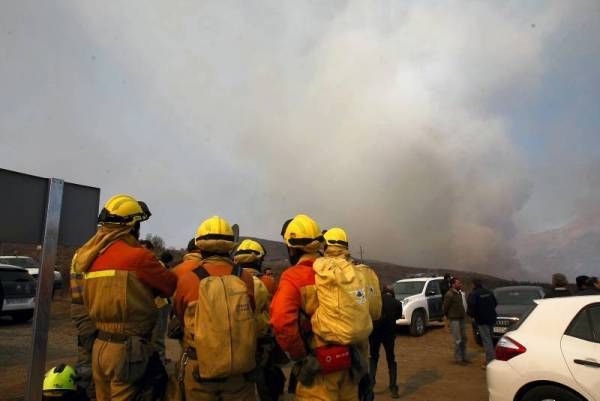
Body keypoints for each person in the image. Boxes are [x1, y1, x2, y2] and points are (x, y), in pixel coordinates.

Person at [73, 194, 177, 401]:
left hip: (100, 347)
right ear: (132, 226)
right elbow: (169, 285)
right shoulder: (138, 256)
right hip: (128, 351)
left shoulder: (90, 258)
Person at [271, 215, 362, 401]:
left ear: (291, 248)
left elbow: (281, 322)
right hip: (348, 363)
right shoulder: (340, 271)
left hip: (318, 368)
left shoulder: (293, 277)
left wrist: (301, 356)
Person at [174, 216, 257, 401]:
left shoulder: (188, 279)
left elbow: (180, 316)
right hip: (238, 369)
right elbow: (251, 312)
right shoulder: (245, 277)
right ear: (231, 246)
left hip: (200, 369)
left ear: (200, 246)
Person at [321, 227, 382, 400]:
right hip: (359, 355)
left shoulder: (320, 273)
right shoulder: (364, 273)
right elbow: (376, 312)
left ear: (324, 247)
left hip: (330, 358)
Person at [234, 239, 285, 401]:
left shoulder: (231, 281)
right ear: (259, 260)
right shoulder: (268, 282)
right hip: (263, 341)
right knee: (266, 383)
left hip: (237, 341)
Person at [368, 286, 401, 399]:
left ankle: (370, 386)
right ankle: (393, 388)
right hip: (389, 335)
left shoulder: (375, 301)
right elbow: (398, 316)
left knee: (373, 359)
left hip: (375, 335)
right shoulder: (397, 303)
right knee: (391, 360)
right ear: (392, 293)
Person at [466, 279, 497, 367]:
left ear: (473, 284)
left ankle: (490, 361)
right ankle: (492, 357)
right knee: (490, 339)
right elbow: (495, 303)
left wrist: (472, 316)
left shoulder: (474, 294)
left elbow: (471, 308)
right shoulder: (489, 292)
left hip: (481, 320)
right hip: (491, 318)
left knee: (486, 340)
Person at [443, 278, 468, 364]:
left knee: (464, 338)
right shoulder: (449, 294)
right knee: (458, 339)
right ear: (453, 284)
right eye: (458, 283)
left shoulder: (459, 293)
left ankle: (464, 357)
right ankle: (458, 358)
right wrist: (448, 316)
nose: (460, 284)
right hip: (454, 319)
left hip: (461, 318)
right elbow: (445, 307)